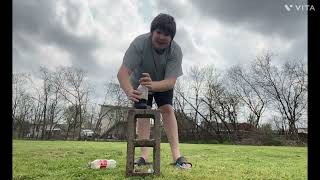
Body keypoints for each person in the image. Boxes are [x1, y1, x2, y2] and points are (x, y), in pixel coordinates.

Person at [117, 13, 192, 169]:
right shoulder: (139, 43)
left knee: (167, 109)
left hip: (162, 82)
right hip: (140, 81)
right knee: (142, 111)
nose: (161, 37)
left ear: (171, 38)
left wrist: (154, 85)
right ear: (152, 32)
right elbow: (122, 73)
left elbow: (171, 82)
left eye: (166, 34)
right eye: (158, 32)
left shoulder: (175, 51)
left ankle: (177, 156)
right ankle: (143, 156)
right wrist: (129, 91)